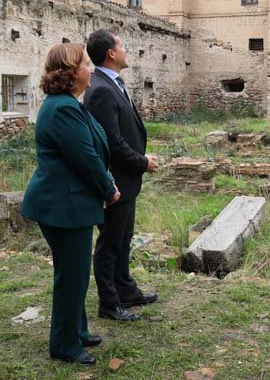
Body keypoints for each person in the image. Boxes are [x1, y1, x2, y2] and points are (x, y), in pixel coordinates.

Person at [21, 43, 120, 365]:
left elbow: (90, 148)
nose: (92, 70)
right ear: (71, 72)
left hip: (66, 203)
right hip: (63, 206)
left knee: (74, 273)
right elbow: (85, 158)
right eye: (87, 64)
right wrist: (108, 189)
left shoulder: (66, 104)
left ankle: (77, 331)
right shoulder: (63, 107)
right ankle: (64, 344)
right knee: (72, 277)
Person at [84, 29, 159, 322]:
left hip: (127, 180)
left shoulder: (113, 82)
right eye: (122, 46)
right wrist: (142, 162)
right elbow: (112, 142)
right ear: (111, 54)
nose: (126, 50)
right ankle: (109, 302)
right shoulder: (101, 88)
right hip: (116, 179)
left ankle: (125, 288)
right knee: (110, 242)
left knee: (123, 238)